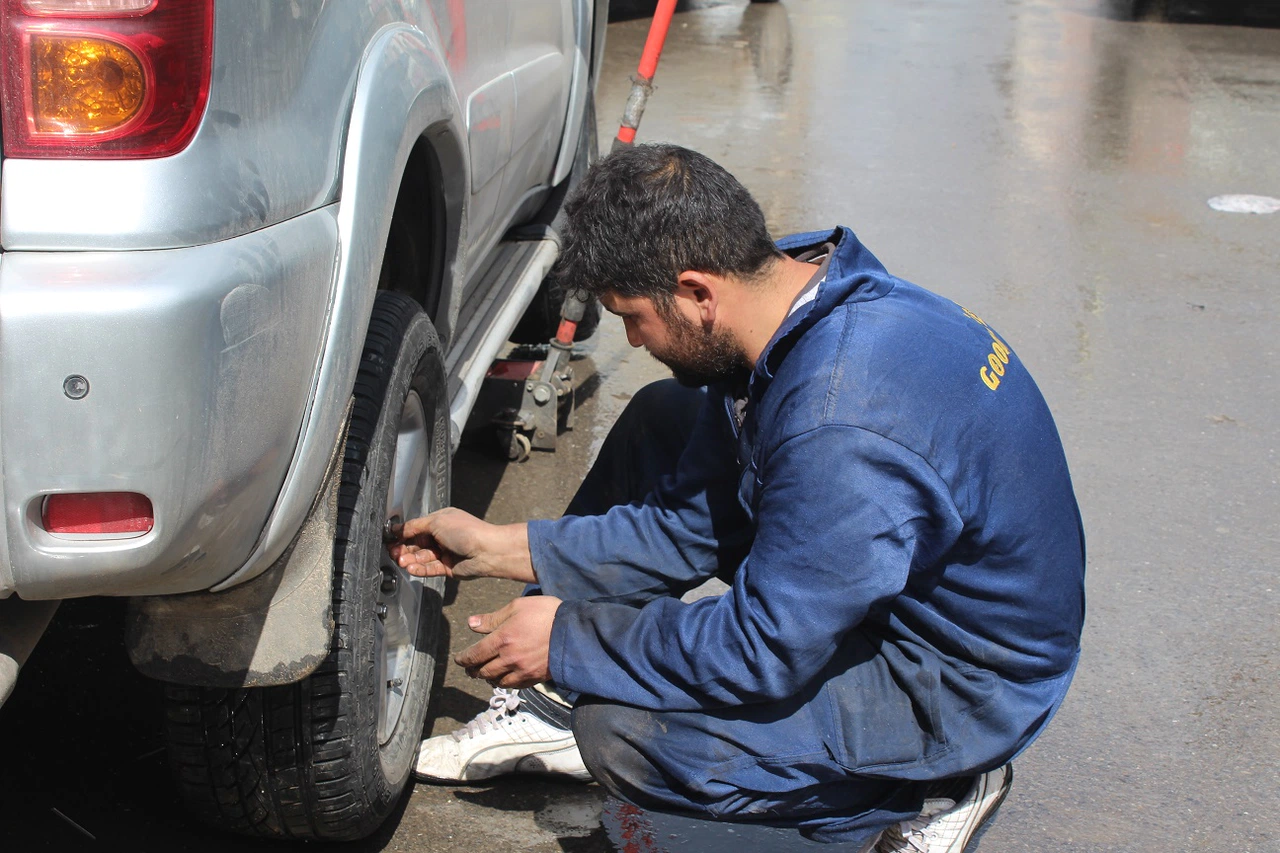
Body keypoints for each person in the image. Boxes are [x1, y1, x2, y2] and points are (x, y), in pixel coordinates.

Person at [389, 144, 1085, 852]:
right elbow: (684, 529)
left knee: (626, 734)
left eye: (632, 316)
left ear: (697, 292)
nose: (631, 339)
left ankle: (930, 787)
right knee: (663, 417)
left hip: (959, 678)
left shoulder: (838, 422)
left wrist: (571, 640)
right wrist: (496, 546)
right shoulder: (792, 292)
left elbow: (762, 648)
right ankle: (550, 700)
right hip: (897, 573)